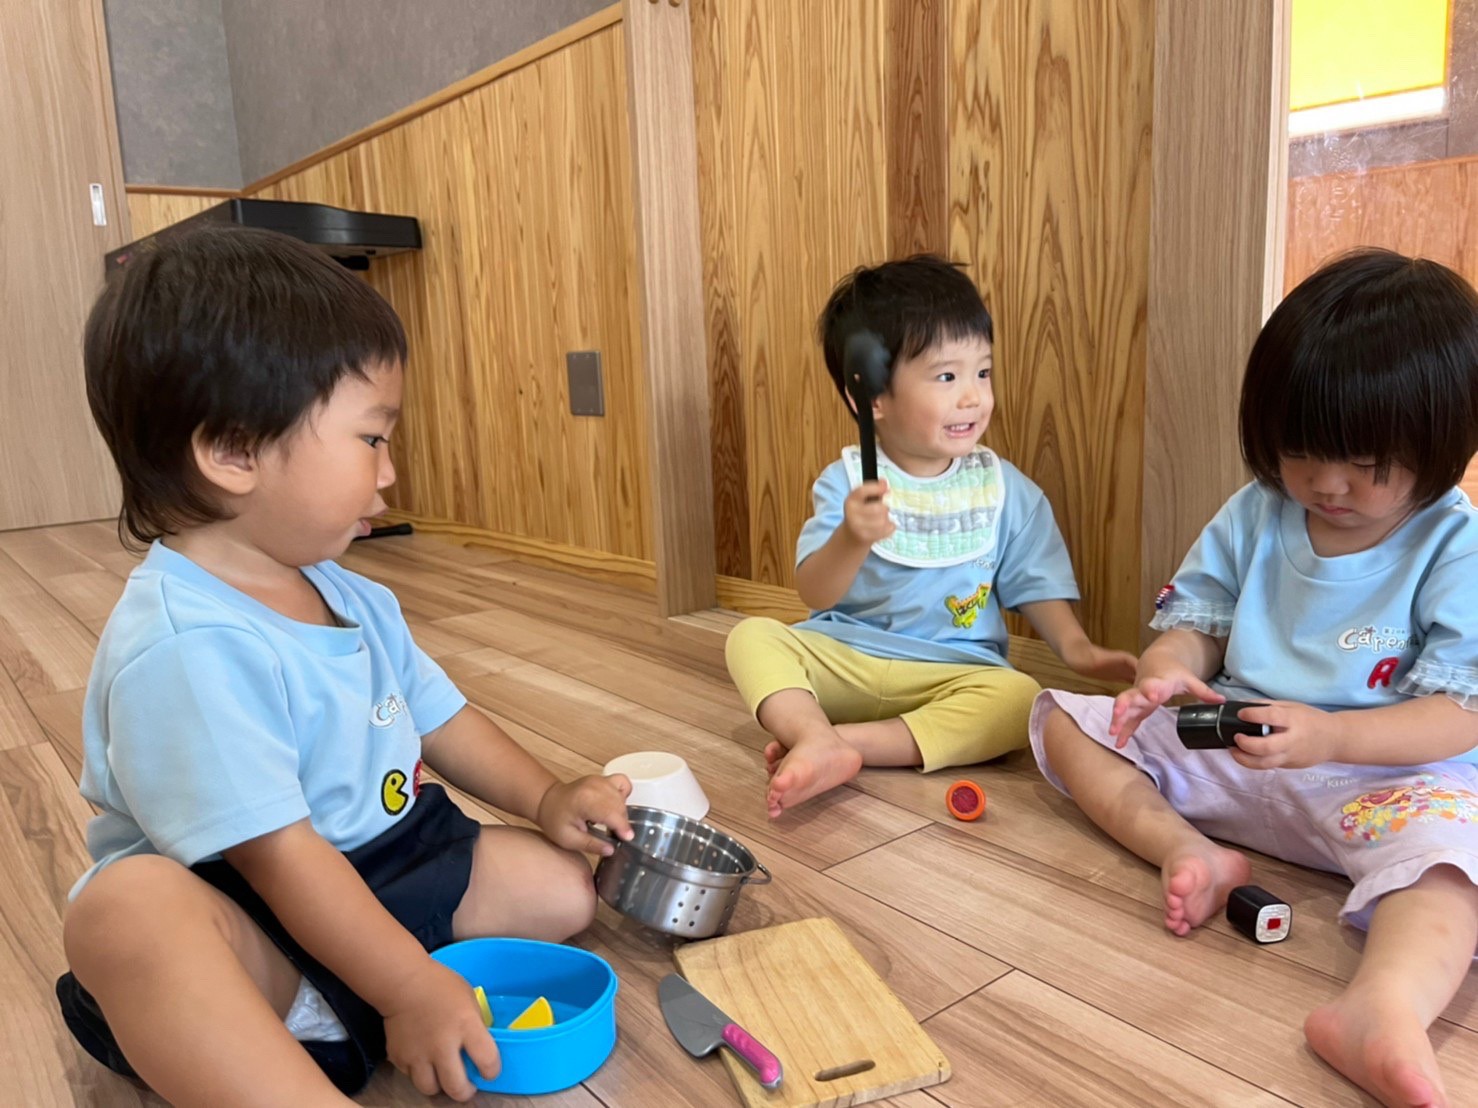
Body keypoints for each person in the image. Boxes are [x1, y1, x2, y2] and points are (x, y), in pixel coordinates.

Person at [55, 225, 634, 1107]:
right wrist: (409, 986)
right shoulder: (186, 645)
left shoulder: (347, 592)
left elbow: (440, 718)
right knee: (126, 915)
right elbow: (280, 858)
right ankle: (280, 1053)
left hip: (382, 858)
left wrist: (548, 797)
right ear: (234, 452)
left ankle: (357, 1003)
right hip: (254, 918)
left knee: (562, 889)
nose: (390, 472)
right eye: (371, 439)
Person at [1032, 248, 1478, 1108]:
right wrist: (1165, 675)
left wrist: (1334, 734)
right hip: (1238, 751)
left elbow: (1461, 714)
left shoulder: (1455, 545)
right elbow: (1196, 627)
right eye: (1300, 451)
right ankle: (1189, 851)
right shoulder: (1257, 511)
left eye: (1367, 462)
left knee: (1453, 864)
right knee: (1063, 719)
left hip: (1384, 780)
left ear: (1442, 443)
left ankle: (1381, 1007)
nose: (1327, 483)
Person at [726, 255, 1136, 818]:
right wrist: (851, 538)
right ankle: (817, 731)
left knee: (1019, 700)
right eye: (947, 377)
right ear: (871, 397)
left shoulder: (1006, 490)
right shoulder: (846, 481)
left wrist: (1078, 650)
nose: (973, 396)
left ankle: (835, 742)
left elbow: (1035, 582)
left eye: (982, 372)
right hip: (846, 658)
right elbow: (814, 593)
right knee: (752, 637)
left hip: (951, 672)